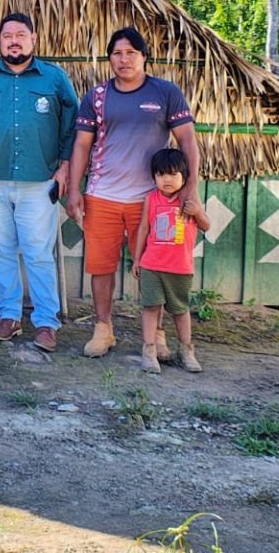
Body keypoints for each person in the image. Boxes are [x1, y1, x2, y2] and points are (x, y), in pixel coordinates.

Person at [66, 26, 201, 358]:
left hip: (153, 202)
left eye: (130, 53)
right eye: (116, 53)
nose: (123, 60)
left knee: (155, 267)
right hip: (102, 196)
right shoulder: (96, 96)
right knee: (101, 266)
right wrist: (74, 190)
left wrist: (190, 188)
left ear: (144, 56)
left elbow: (187, 141)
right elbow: (82, 146)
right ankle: (103, 328)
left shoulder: (165, 93)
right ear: (109, 58)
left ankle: (156, 335)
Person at [0, 13, 79, 352]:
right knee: (2, 250)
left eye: (21, 34)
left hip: (40, 181)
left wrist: (65, 166)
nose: (14, 41)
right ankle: (9, 317)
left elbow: (73, 125)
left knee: (38, 253)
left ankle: (46, 323)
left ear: (33, 39)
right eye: (7, 35)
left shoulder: (54, 79)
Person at [131, 148, 210, 373]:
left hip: (180, 267)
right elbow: (144, 229)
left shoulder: (189, 200)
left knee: (180, 310)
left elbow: (206, 225)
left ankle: (186, 350)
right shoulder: (151, 199)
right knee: (150, 308)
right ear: (154, 176)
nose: (167, 179)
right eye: (161, 174)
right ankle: (149, 350)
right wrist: (137, 260)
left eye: (173, 174)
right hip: (151, 265)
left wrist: (197, 212)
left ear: (184, 176)